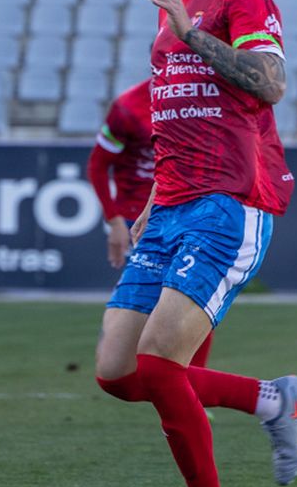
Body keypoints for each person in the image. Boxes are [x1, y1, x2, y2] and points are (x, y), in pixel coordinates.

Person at [95, 0, 297, 487]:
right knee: (120, 373)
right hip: (173, 207)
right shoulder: (172, 14)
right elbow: (171, 128)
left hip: (230, 203)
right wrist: (146, 210)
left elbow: (270, 84)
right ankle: (272, 399)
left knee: (160, 366)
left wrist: (191, 33)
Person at [87, 78, 214, 369]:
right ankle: (122, 362)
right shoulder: (128, 108)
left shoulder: (206, 99)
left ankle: (194, 387)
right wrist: (115, 219)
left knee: (195, 302)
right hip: (140, 220)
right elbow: (97, 164)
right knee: (142, 310)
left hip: (187, 211)